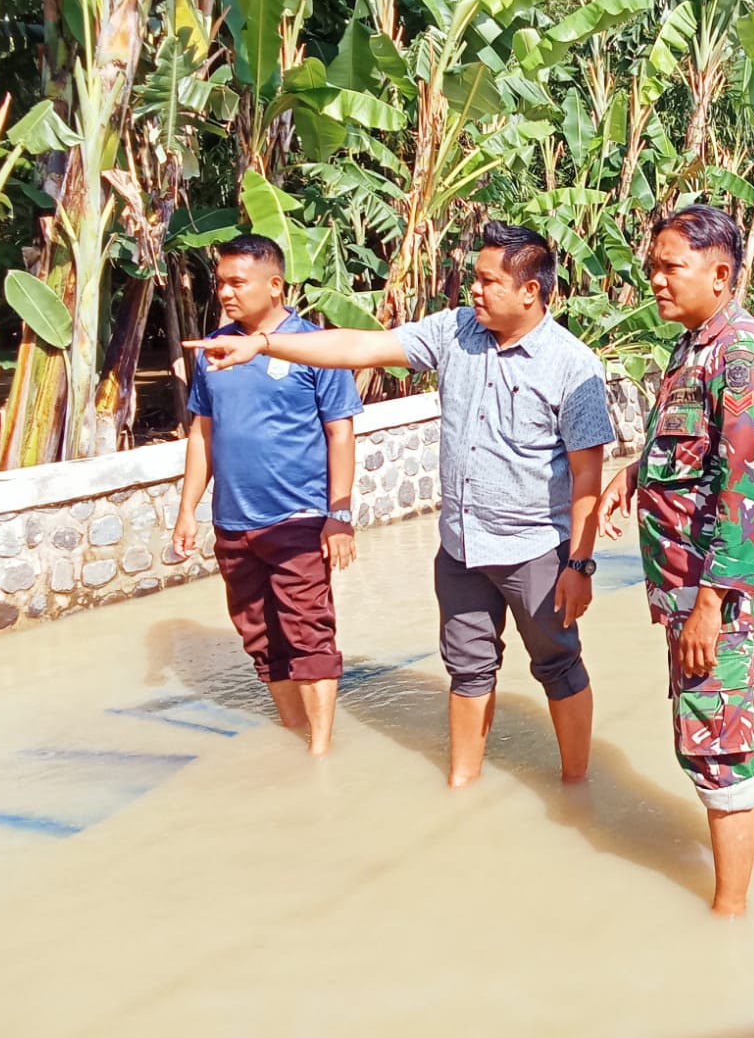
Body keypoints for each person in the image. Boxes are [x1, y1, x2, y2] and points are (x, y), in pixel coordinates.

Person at [185, 223, 615, 787]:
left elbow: (588, 475)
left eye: (487, 281)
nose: (475, 292)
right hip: (461, 547)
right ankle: (461, 785)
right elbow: (360, 345)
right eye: (475, 280)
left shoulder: (573, 364)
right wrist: (264, 343)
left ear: (529, 291)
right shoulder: (455, 331)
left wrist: (578, 567)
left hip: (535, 548)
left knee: (557, 663)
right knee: (467, 669)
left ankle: (575, 786)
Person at [598, 205, 754, 916]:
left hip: (717, 593)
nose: (654, 279)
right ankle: (731, 889)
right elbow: (690, 450)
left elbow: (747, 490)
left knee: (719, 736)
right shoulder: (691, 348)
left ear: (720, 272)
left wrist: (711, 603)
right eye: (653, 265)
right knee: (704, 724)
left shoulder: (741, 355)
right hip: (685, 588)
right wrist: (636, 475)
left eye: (669, 266)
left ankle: (730, 915)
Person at [174, 233, 363, 756]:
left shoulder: (314, 348)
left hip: (299, 520)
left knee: (308, 632)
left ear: (275, 285)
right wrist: (188, 509)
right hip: (233, 523)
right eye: (221, 283)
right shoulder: (213, 349)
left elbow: (340, 433)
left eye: (238, 282)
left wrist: (339, 514)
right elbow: (202, 433)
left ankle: (320, 751)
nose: (226, 293)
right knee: (259, 636)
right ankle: (292, 732)